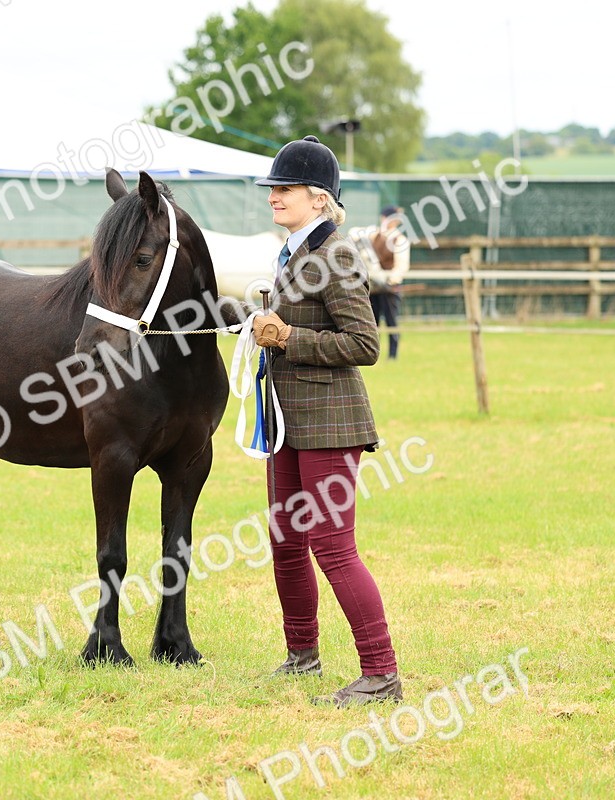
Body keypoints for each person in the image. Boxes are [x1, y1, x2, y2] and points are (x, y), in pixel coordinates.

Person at [252, 135, 401, 708]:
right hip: (288, 420)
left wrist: (289, 337)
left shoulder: (336, 254)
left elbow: (364, 344)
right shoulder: (291, 253)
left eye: (284, 189)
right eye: (274, 189)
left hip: (332, 422)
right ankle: (302, 655)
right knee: (285, 541)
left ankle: (382, 672)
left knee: (333, 547)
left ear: (319, 199)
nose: (275, 197)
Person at [355, 205, 410, 360]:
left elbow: (401, 266)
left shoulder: (400, 240)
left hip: (390, 287)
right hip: (373, 287)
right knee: (372, 322)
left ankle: (393, 355)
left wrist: (391, 281)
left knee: (392, 321)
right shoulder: (374, 235)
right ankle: (373, 353)